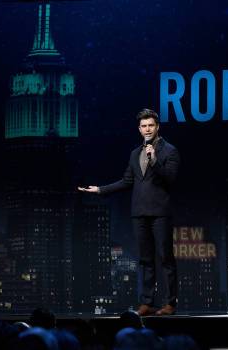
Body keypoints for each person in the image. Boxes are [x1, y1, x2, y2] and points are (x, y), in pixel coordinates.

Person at [78, 109, 179, 316]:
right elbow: (127, 181)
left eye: (151, 125)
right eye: (143, 126)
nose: (147, 129)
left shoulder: (170, 151)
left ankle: (169, 303)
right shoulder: (135, 153)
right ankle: (147, 302)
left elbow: (170, 178)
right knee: (145, 259)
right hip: (139, 212)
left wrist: (154, 161)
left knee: (165, 258)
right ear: (139, 129)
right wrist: (100, 190)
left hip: (160, 212)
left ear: (157, 127)